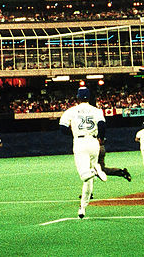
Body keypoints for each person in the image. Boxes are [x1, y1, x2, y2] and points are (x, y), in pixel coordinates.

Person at [59, 86, 108, 219]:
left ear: (78, 98)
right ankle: (83, 207)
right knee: (88, 181)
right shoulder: (96, 110)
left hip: (80, 142)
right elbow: (102, 125)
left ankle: (95, 171)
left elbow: (62, 128)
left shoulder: (71, 111)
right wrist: (101, 139)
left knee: (84, 175)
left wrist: (74, 132)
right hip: (93, 143)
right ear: (89, 97)